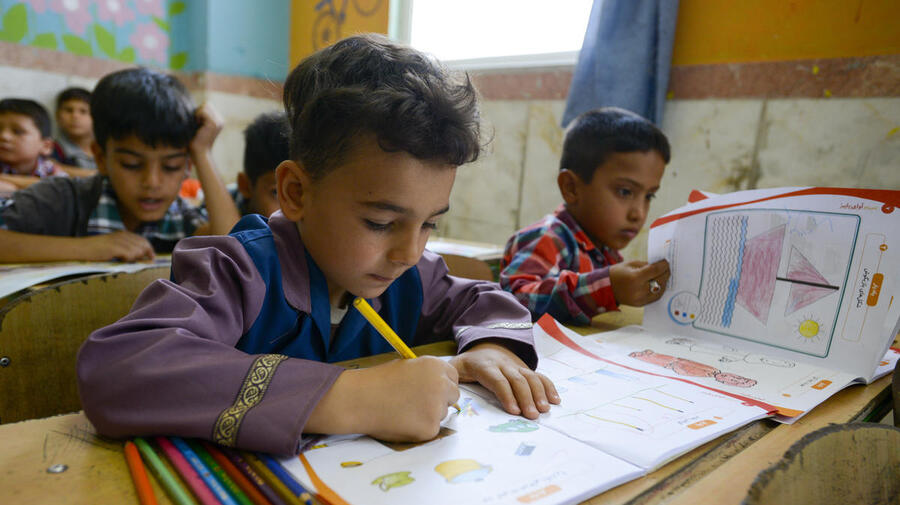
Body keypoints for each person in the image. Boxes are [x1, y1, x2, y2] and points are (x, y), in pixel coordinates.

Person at [76, 34, 559, 455]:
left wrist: (493, 347)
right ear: (296, 192)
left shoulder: (411, 275)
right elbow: (117, 372)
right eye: (378, 221)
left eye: (429, 224)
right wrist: (352, 398)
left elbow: (482, 298)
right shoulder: (237, 270)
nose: (409, 253)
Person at [0, 68, 240, 263]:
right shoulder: (63, 199)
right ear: (101, 159)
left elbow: (234, 249)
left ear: (188, 166)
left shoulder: (179, 217)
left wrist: (203, 152)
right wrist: (84, 249)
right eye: (132, 164)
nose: (152, 183)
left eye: (172, 166)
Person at [500, 107, 672, 325]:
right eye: (625, 192)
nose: (638, 213)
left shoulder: (605, 251)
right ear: (571, 187)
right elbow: (514, 300)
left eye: (649, 196)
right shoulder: (548, 238)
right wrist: (606, 288)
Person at [0, 98, 67, 192]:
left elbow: (59, 189)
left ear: (46, 146)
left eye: (17, 132)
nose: (4, 136)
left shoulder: (51, 171)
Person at [234, 110, 288, 217]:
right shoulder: (214, 211)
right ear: (245, 186)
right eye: (276, 193)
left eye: (299, 192)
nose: (294, 211)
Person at [52, 86, 97, 171]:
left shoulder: (105, 149)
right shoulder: (51, 149)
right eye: (69, 110)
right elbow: (50, 169)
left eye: (83, 111)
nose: (75, 116)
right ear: (57, 116)